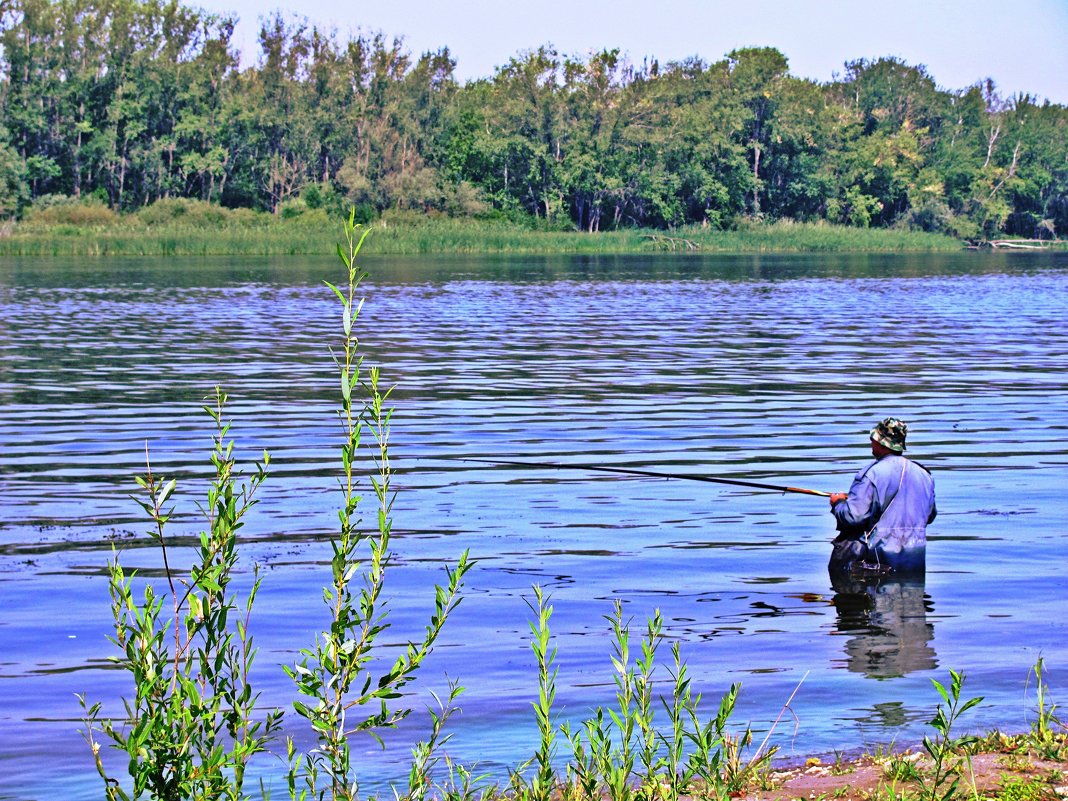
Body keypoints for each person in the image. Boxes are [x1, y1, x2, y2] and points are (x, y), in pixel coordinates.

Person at [828, 417, 936, 576]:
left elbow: (852, 517)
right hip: (915, 564)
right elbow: (929, 516)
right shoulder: (925, 476)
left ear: (881, 443)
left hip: (877, 565)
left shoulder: (871, 474)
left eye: (873, 438)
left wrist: (838, 503)